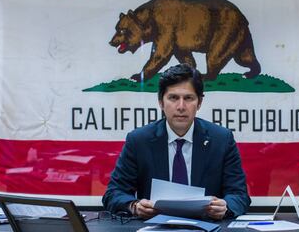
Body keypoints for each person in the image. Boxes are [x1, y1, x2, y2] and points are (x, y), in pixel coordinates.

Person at [102, 63, 251, 220]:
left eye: (188, 98)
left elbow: (239, 195)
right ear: (161, 102)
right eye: (173, 98)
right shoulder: (139, 140)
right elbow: (113, 193)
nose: (181, 106)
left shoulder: (221, 139)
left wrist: (225, 207)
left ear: (199, 103)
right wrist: (134, 206)